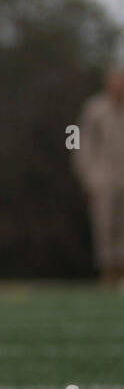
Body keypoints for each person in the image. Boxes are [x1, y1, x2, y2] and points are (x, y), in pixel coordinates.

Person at [71, 64, 124, 288]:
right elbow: (78, 142)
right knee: (105, 227)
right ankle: (109, 277)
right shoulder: (94, 109)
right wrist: (89, 177)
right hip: (104, 180)